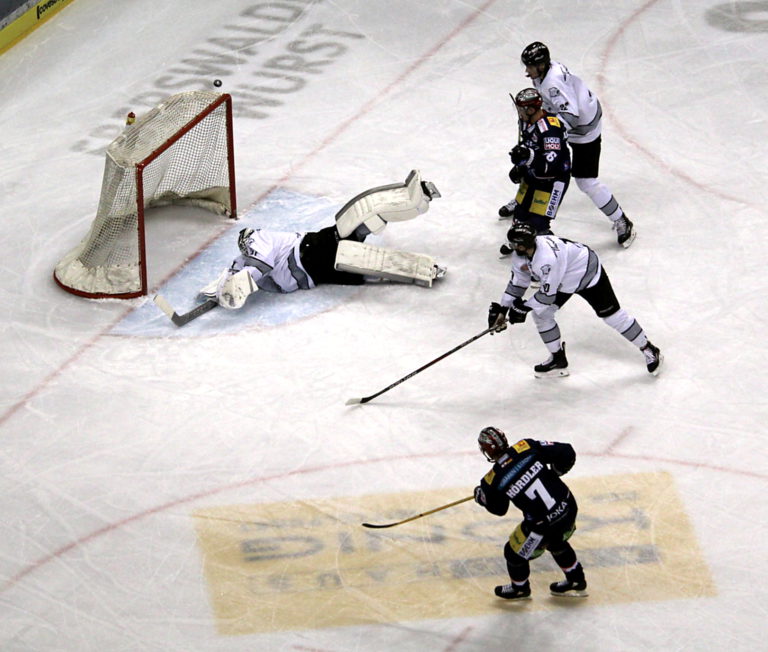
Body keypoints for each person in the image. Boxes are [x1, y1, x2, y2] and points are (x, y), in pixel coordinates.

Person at [201, 170, 446, 309]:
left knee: (358, 220)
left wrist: (240, 285)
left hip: (311, 252)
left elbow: (258, 266)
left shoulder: (258, 238)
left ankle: (414, 197)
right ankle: (423, 269)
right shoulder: (240, 263)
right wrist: (220, 290)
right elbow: (236, 278)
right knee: (365, 267)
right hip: (316, 273)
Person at [487, 222, 662, 376]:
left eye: (514, 244)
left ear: (523, 246)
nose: (511, 246)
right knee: (541, 315)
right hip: (562, 280)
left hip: (586, 273)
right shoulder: (520, 256)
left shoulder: (547, 258)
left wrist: (523, 308)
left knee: (612, 316)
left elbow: (547, 296)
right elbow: (517, 284)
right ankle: (558, 359)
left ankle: (648, 348)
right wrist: (503, 309)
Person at [519, 41, 635, 248]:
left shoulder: (552, 83)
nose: (526, 71)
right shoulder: (545, 72)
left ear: (541, 65)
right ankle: (524, 202)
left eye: (529, 66)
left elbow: (571, 116)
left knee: (585, 181)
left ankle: (621, 220)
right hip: (573, 120)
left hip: (583, 130)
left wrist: (550, 135)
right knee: (535, 155)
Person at [474, 426, 588, 600]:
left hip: (543, 527)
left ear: (487, 451)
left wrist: (481, 497)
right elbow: (566, 451)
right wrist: (554, 473)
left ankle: (520, 588)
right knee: (556, 540)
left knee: (513, 553)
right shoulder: (526, 447)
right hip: (568, 507)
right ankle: (576, 579)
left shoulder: (492, 480)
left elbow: (499, 509)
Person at [497, 87, 571, 254]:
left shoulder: (550, 129)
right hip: (534, 174)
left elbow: (550, 165)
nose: (518, 112)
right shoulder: (525, 121)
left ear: (531, 110)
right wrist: (520, 167)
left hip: (554, 180)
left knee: (538, 224)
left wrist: (528, 157)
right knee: (520, 212)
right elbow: (527, 145)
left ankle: (548, 253)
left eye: (521, 109)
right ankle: (518, 239)